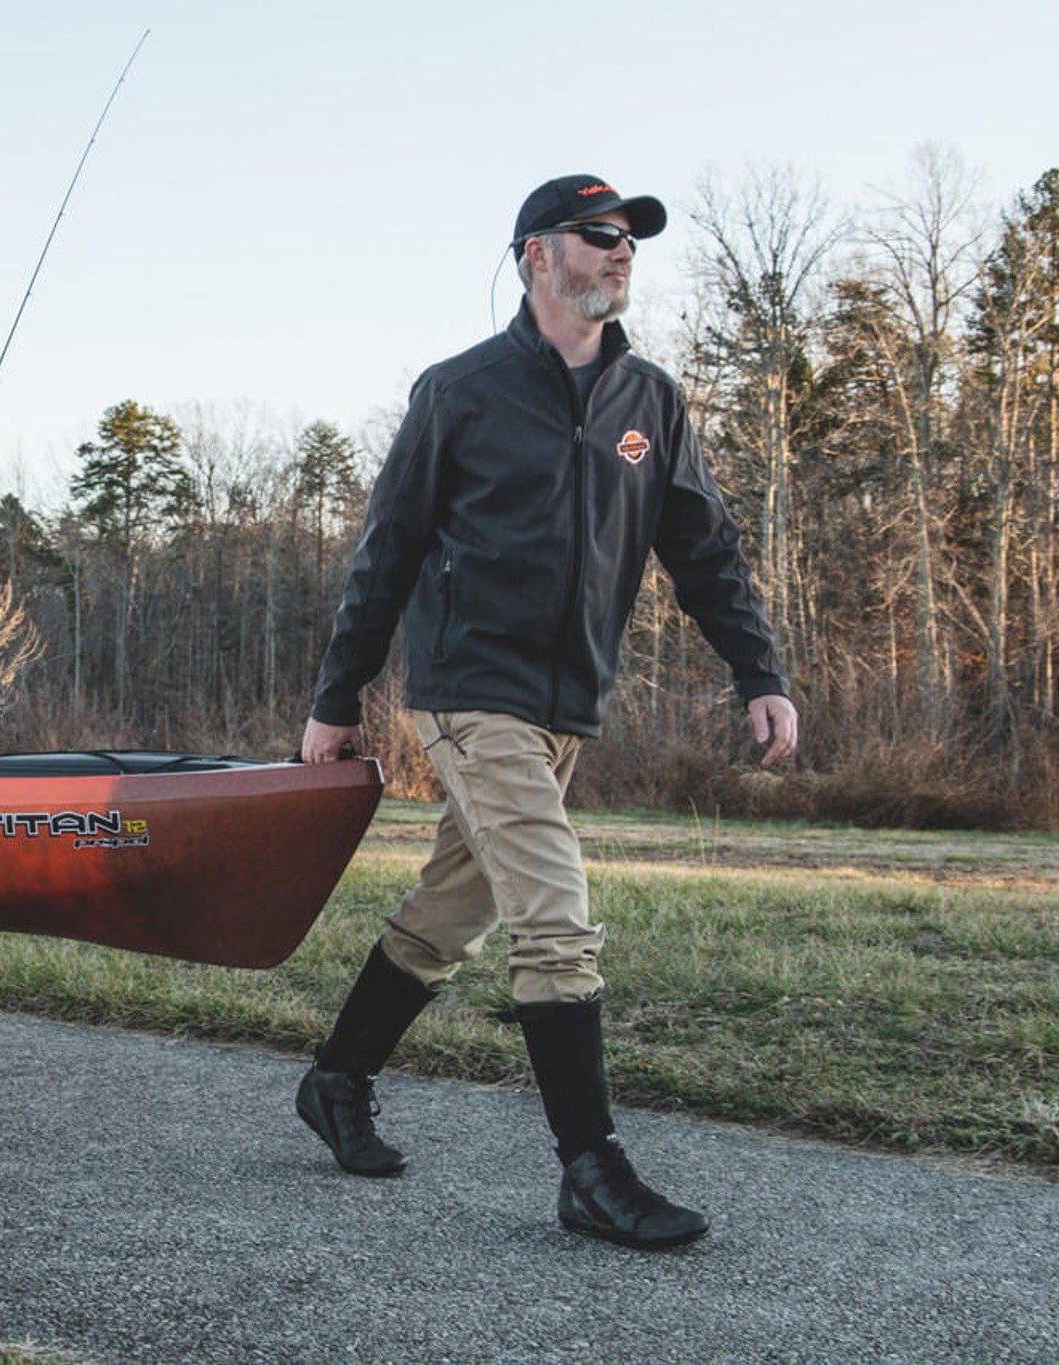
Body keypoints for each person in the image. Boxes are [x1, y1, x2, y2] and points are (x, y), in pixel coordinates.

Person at [294, 173, 799, 1250]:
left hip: (569, 698)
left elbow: (701, 550)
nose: (620, 253)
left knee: (452, 910)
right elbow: (384, 554)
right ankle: (590, 1170)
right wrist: (334, 699)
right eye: (599, 235)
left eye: (630, 241)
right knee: (553, 916)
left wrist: (759, 672)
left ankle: (335, 1080)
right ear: (535, 254)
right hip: (469, 689)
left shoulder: (647, 401)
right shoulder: (459, 391)